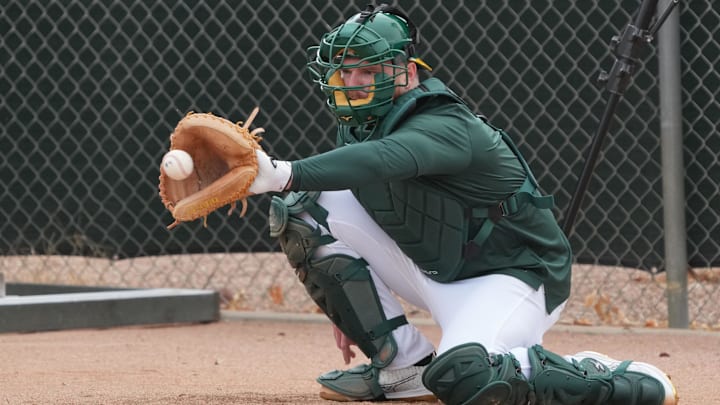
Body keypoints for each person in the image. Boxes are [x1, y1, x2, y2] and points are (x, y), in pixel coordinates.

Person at [247, 4, 678, 404]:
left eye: (371, 70)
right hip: (436, 265)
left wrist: (283, 172)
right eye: (346, 72)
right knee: (301, 207)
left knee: (465, 375)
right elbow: (349, 176)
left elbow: (388, 158)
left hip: (513, 278)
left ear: (409, 72)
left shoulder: (446, 122)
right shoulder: (360, 127)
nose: (356, 82)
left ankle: (610, 376)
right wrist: (346, 302)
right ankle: (402, 367)